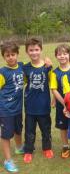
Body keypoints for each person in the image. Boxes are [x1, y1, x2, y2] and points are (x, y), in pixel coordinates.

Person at [23, 37, 54, 163]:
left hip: (44, 105)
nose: (34, 52)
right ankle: (28, 151)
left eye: (36, 49)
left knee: (46, 129)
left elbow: (53, 85)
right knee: (29, 130)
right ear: (27, 52)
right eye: (31, 50)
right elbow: (24, 82)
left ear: (41, 50)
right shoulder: (25, 68)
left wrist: (54, 99)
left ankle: (47, 148)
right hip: (30, 106)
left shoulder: (48, 67)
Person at [0, 41, 24, 172]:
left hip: (18, 108)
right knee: (6, 135)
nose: (10, 57)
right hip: (5, 110)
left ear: (17, 55)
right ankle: (8, 160)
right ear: (4, 57)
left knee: (18, 129)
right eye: (7, 55)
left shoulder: (21, 67)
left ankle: (19, 148)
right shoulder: (2, 72)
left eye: (13, 54)